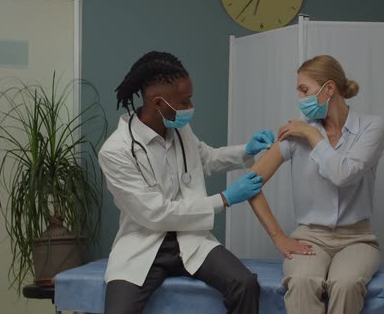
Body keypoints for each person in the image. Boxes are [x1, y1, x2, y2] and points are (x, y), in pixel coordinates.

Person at [98, 51, 278, 314]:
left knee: (245, 284)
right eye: (184, 101)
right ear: (158, 103)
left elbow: (206, 158)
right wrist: (224, 199)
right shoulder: (116, 151)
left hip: (189, 238)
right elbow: (155, 213)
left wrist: (247, 151)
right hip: (144, 241)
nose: (190, 106)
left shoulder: (179, 129)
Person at [243, 55, 384, 314]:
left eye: (304, 90)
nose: (300, 98)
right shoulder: (293, 135)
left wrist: (311, 134)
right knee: (302, 281)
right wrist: (279, 237)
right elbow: (250, 182)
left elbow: (344, 174)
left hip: (358, 239)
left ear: (329, 89)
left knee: (345, 283)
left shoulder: (371, 127)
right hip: (310, 237)